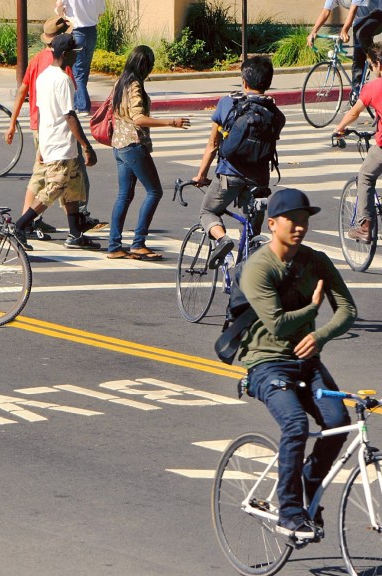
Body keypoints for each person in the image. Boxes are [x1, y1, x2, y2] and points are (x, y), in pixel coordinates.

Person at [238, 187, 356, 539]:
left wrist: (320, 336)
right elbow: (277, 323)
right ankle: (290, 511)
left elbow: (348, 310)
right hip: (266, 364)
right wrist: (312, 310)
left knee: (338, 422)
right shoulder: (258, 267)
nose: (300, 226)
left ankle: (309, 480)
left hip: (306, 361)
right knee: (294, 424)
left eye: (304, 219)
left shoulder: (316, 260)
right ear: (272, 223)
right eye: (292, 219)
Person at [4, 16, 104, 243]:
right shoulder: (62, 80)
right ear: (65, 54)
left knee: (72, 186)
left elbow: (42, 111)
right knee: (55, 187)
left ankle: (75, 232)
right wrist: (87, 147)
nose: (77, 54)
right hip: (60, 143)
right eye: (74, 52)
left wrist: (42, 145)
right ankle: (20, 225)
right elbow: (69, 115)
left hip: (51, 139)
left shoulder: (44, 76)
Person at [193, 56, 285, 269]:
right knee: (252, 225)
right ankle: (247, 268)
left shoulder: (228, 104)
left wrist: (200, 175)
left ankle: (223, 240)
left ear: (244, 82)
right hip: (259, 178)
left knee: (207, 212)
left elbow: (213, 144)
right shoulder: (276, 114)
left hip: (229, 174)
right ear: (268, 82)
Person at [107, 45, 190, 261]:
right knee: (154, 191)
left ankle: (114, 245)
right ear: (145, 65)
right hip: (133, 145)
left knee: (124, 195)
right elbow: (138, 118)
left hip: (119, 145)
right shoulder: (134, 85)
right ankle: (138, 243)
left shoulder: (120, 81)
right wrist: (171, 122)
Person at [334, 42, 382, 242]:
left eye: (370, 66)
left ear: (378, 64)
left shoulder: (374, 87)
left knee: (365, 176)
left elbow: (355, 112)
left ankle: (364, 227)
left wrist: (339, 128)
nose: (371, 70)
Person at [55, 0, 105, 115]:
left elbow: (59, 5)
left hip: (76, 30)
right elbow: (101, 12)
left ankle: (83, 106)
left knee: (78, 71)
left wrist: (61, 12)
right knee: (84, 69)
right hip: (92, 30)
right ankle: (78, 101)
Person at [340, 0, 382, 98]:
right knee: (357, 57)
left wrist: (344, 30)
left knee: (361, 34)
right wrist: (314, 31)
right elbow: (325, 11)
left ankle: (374, 60)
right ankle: (356, 93)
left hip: (379, 13)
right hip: (361, 20)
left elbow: (353, 9)